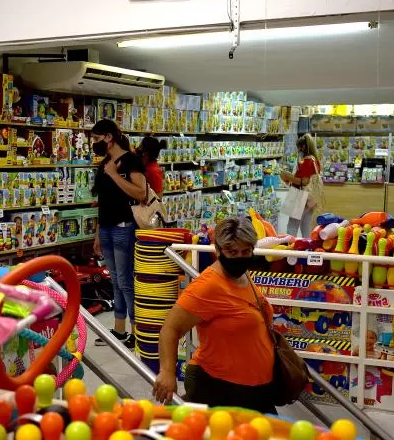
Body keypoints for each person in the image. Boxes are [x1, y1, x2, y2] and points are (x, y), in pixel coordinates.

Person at [153, 217, 276, 414]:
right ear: (218, 251)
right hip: (220, 387)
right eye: (232, 252)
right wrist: (167, 372)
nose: (240, 257)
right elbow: (170, 329)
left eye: (246, 251)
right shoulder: (207, 286)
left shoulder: (242, 276)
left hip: (253, 389)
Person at [91, 119, 147, 348]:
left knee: (125, 281)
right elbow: (102, 202)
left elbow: (141, 192)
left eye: (96, 139)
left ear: (109, 137)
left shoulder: (130, 160)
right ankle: (119, 329)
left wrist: (115, 175)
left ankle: (136, 331)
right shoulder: (104, 162)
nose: (93, 143)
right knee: (115, 280)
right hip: (106, 227)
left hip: (124, 227)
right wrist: (97, 233)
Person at [281, 133, 322, 238]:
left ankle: (291, 248)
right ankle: (307, 248)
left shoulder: (306, 161)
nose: (298, 150)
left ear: (303, 147)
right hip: (311, 197)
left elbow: (304, 181)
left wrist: (288, 176)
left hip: (300, 196)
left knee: (292, 226)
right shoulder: (314, 160)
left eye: (298, 147)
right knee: (306, 225)